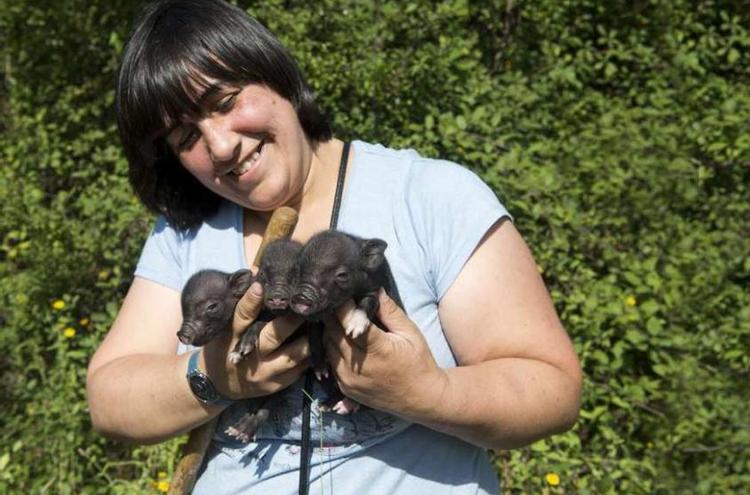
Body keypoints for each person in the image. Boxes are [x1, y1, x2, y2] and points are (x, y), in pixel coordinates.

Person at [86, 0, 582, 493]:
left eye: (225, 101)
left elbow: (553, 390)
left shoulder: (429, 195)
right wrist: (213, 377)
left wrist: (428, 392)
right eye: (185, 136)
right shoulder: (184, 234)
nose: (220, 146)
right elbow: (110, 401)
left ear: (274, 73)